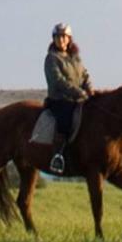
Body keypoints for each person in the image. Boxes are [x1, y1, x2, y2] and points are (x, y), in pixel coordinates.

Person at [44, 23, 93, 174]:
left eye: (64, 36)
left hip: (78, 99)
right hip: (60, 100)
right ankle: (58, 156)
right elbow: (58, 82)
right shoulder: (51, 58)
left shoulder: (75, 57)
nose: (61, 40)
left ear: (69, 39)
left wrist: (89, 89)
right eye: (57, 36)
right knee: (65, 121)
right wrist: (79, 93)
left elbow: (84, 75)